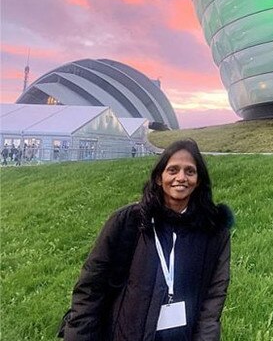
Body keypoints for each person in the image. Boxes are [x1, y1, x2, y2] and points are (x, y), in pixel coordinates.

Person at [61, 139, 233, 340]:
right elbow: (90, 289)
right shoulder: (128, 222)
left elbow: (213, 300)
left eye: (190, 171)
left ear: (199, 180)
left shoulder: (213, 232)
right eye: (173, 170)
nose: (181, 177)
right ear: (159, 178)